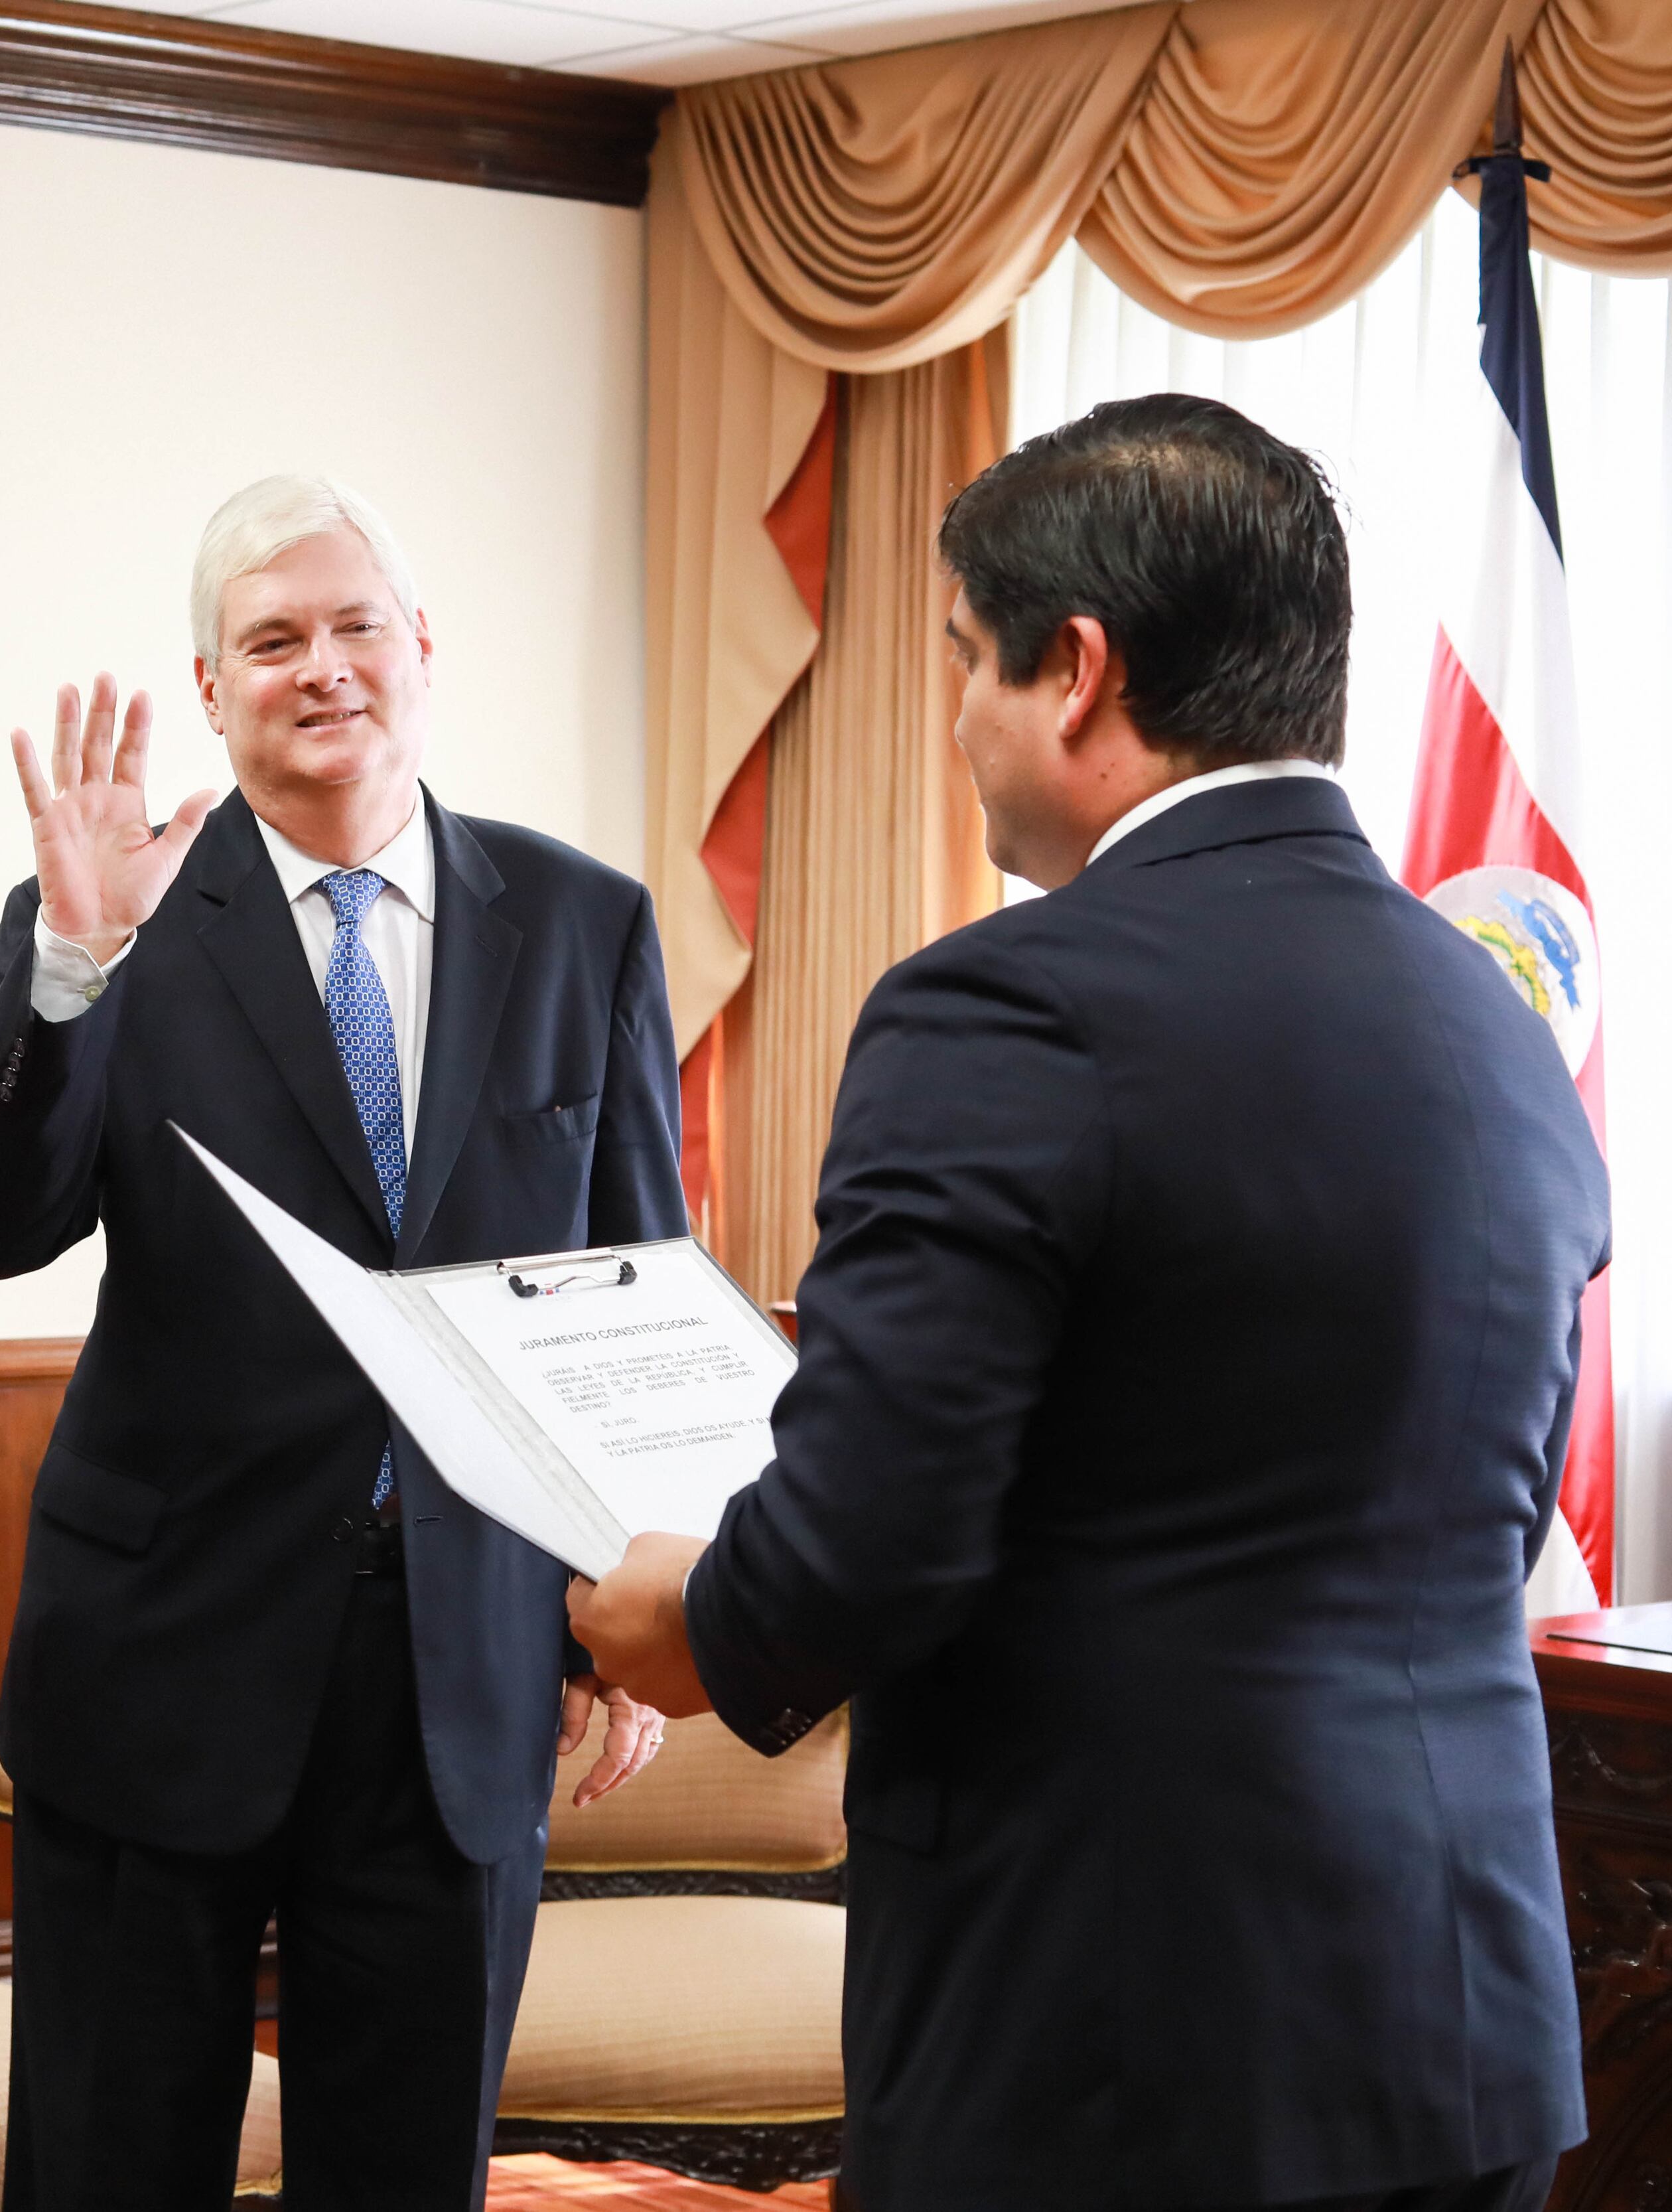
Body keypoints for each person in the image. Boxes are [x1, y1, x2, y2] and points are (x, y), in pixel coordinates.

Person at [569, 395, 1606, 2212]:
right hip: (1463, 2030)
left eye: (966, 659)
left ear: (1076, 670)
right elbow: (1475, 1514)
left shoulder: (1001, 1008)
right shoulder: (1494, 1026)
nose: (956, 721)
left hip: (1119, 2046)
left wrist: (683, 1617)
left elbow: (864, 1550)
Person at [0, 475, 677, 2209]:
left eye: (353, 626)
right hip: (158, 1662)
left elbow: (629, 1283)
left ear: (422, 648)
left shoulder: (584, 923)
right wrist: (71, 963)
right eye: (271, 641)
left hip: (463, 1669)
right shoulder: (112, 912)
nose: (321, 666)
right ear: (210, 687)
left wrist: (623, 1591)